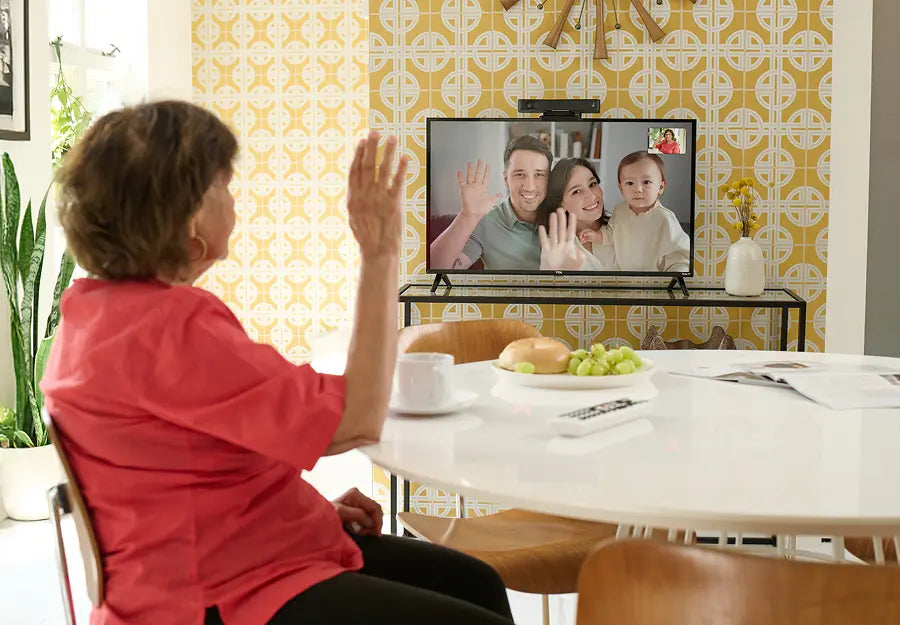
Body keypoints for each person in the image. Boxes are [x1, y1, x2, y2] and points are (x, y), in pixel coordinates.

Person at [42, 101, 515, 625]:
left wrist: (302, 512)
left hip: (210, 564)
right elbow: (357, 418)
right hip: (216, 596)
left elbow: (176, 467)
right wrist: (379, 253)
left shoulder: (90, 313)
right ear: (190, 212)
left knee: (477, 582)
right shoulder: (170, 328)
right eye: (224, 184)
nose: (233, 197)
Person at [429, 134, 552, 271]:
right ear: (506, 179)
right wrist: (467, 215)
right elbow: (434, 268)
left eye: (539, 175)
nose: (530, 187)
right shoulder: (486, 222)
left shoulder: (565, 215)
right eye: (519, 174)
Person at [591, 151, 690, 272]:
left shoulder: (665, 219)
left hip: (654, 278)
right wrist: (597, 236)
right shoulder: (620, 210)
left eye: (646, 182)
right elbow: (612, 234)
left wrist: (676, 274)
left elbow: (680, 255)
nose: (638, 189)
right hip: (625, 274)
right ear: (621, 188)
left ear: (661, 187)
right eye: (630, 183)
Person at [535, 157, 616, 271]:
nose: (592, 196)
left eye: (592, 184)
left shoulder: (621, 226)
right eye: (576, 191)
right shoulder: (554, 247)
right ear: (560, 203)